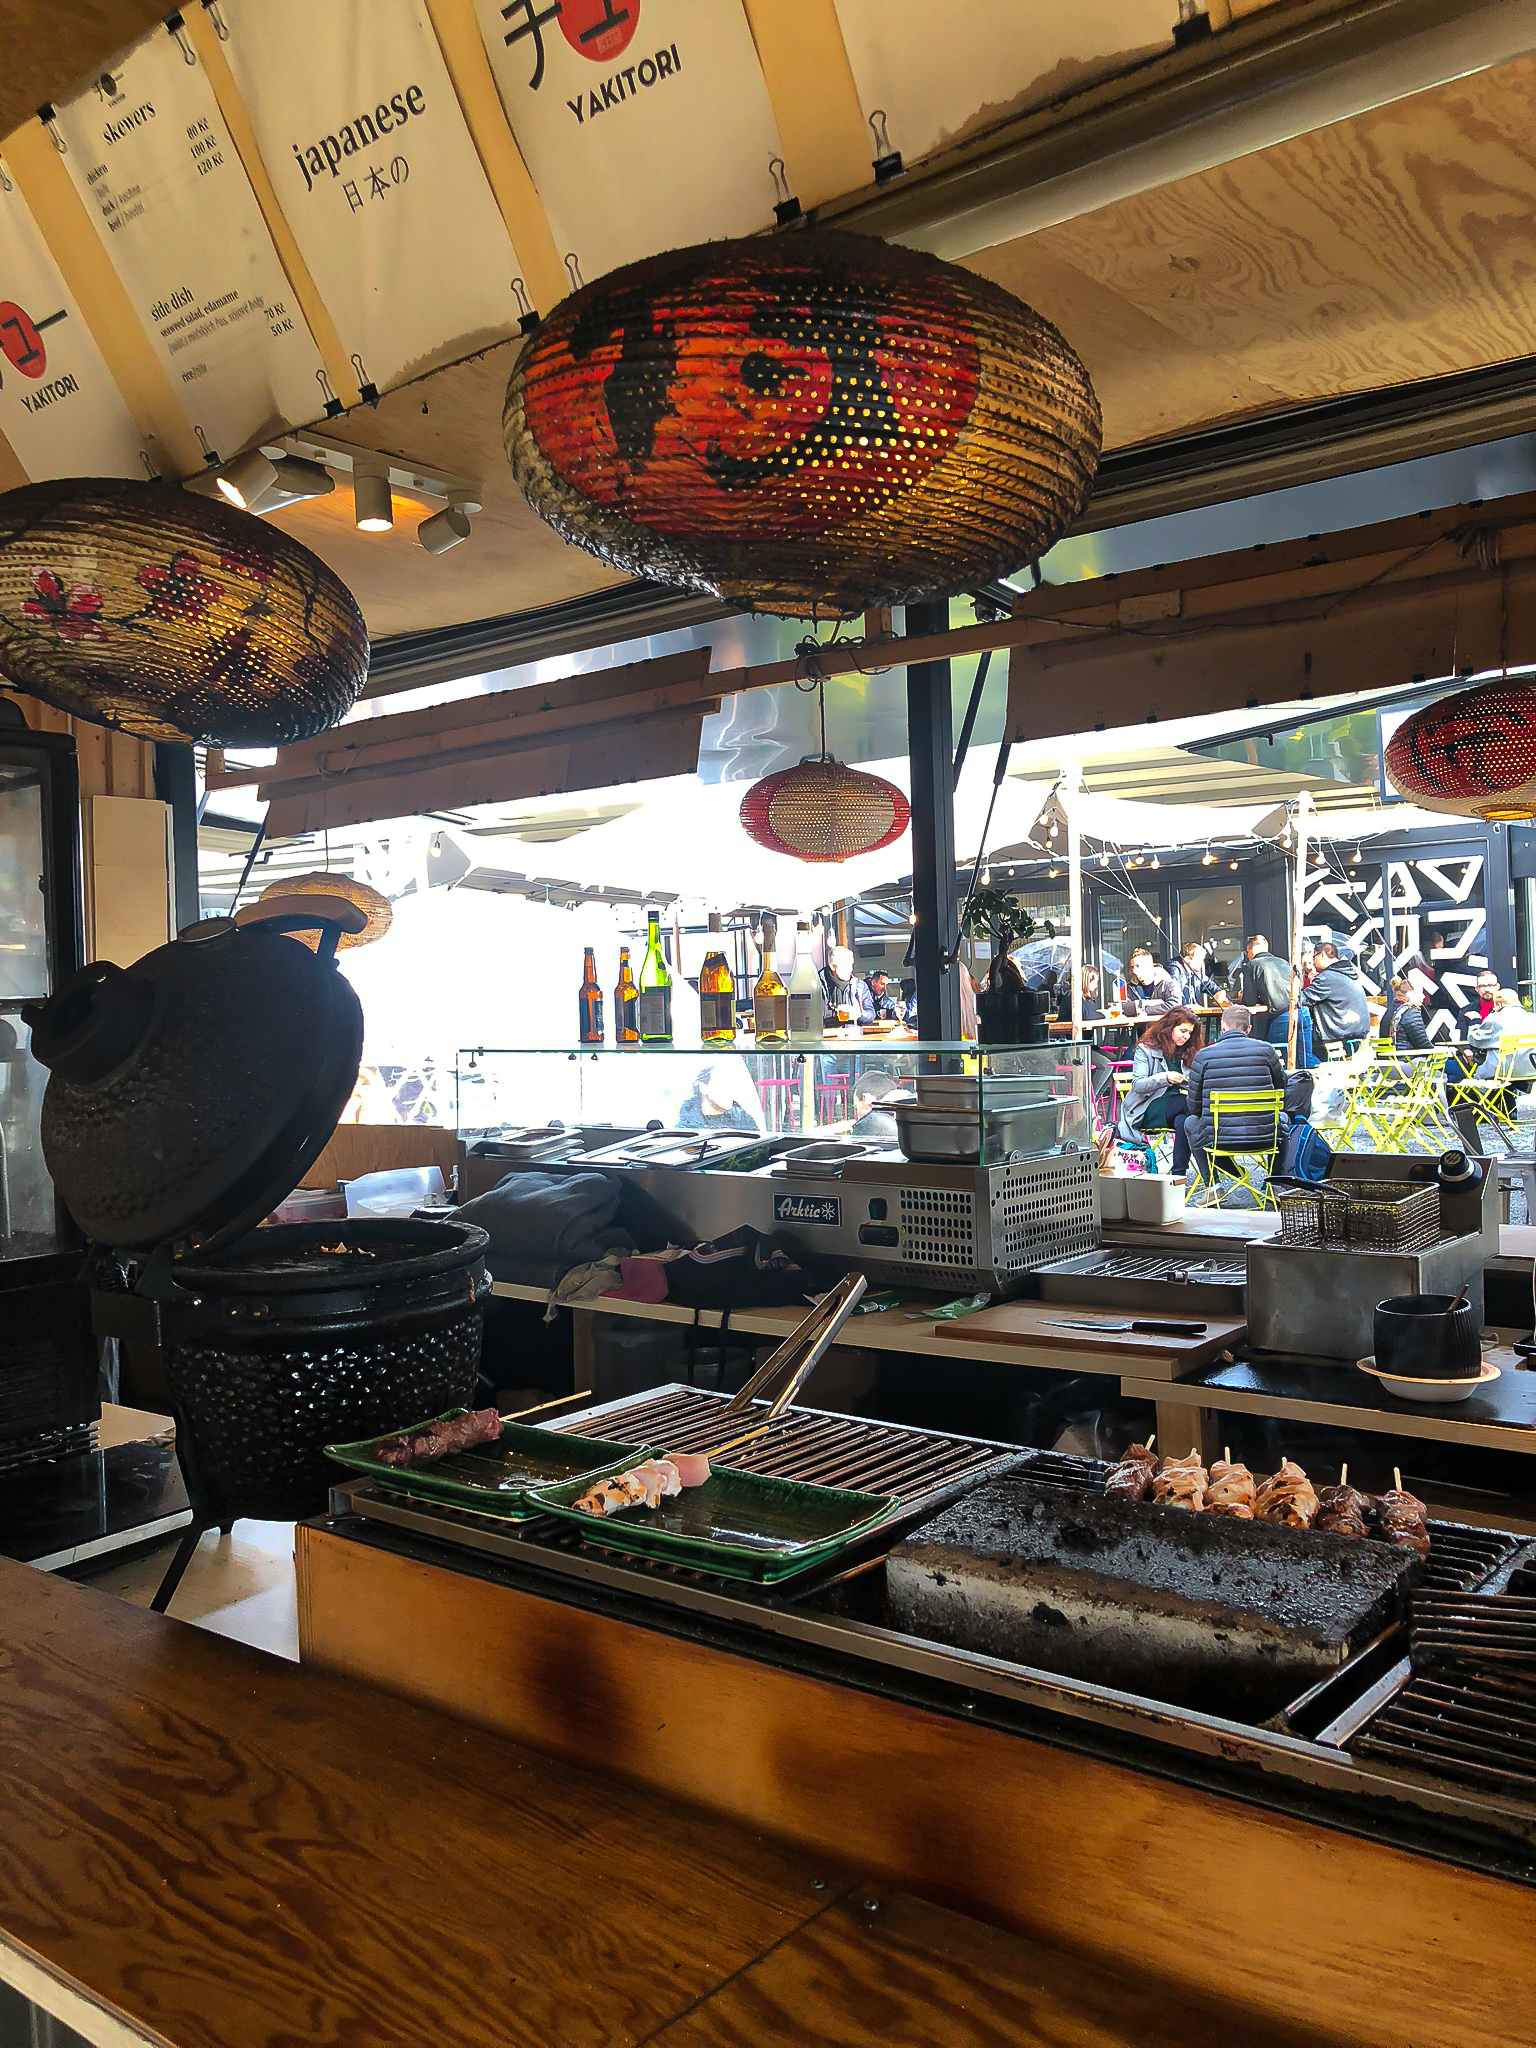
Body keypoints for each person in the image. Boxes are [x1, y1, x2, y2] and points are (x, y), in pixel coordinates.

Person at [1180, 1004, 1287, 1190]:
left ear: (1222, 1026)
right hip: (1265, 1136)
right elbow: (1281, 1089)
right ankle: (1275, 1184)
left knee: (1190, 1122)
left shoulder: (1203, 1056)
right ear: (1249, 1028)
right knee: (1283, 1119)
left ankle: (1213, 1186)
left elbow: (1194, 1106)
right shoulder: (1267, 1051)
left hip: (1218, 1138)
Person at [1118, 1007, 1202, 1172]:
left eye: (1190, 1033)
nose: (1186, 1036)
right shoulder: (1146, 1049)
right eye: (1183, 1031)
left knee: (1185, 1121)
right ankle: (1219, 1159)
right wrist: (1165, 1078)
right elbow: (1138, 1085)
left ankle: (1178, 1174)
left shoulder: (1187, 1051)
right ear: (1169, 1028)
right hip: (1146, 1107)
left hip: (1174, 1107)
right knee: (1191, 1105)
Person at [1302, 941, 1370, 1054]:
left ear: (1321, 955)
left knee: (1301, 1047)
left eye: (1314, 958)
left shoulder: (1327, 977)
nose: (1313, 963)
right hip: (1355, 1035)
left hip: (1338, 1037)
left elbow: (1301, 999)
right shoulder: (1348, 973)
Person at [676, 1062, 765, 1134]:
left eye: (732, 1085)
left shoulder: (743, 1120)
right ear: (703, 1088)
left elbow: (759, 1147)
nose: (730, 1090)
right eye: (723, 1084)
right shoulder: (685, 1127)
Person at [1233, 934, 1291, 1020]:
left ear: (1250, 950)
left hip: (1281, 1015)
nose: (1247, 956)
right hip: (1302, 1012)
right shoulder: (1284, 962)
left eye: (1246, 953)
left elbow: (1250, 1001)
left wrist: (1243, 997)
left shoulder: (1252, 965)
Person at [823, 945, 875, 1025]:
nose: (851, 969)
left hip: (853, 1031)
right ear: (833, 966)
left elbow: (871, 1014)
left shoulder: (860, 986)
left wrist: (859, 1014)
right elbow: (813, 1016)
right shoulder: (819, 986)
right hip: (825, 1032)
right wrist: (837, 1014)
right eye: (846, 965)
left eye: (851, 964)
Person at [1382, 973, 1431, 1051]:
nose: (1423, 996)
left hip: (1390, 1057)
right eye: (1420, 992)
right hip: (1405, 1057)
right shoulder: (1411, 1013)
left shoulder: (1390, 1011)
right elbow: (1423, 1044)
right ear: (1409, 993)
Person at [848, 1068, 901, 1141]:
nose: (856, 1116)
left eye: (856, 1107)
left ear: (866, 1099)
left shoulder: (868, 1125)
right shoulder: (908, 1110)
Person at [1124, 945, 1179, 1015]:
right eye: (1132, 967)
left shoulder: (1168, 984)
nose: (1134, 971)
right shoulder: (1129, 987)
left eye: (1138, 966)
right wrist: (1149, 1003)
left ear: (1149, 966)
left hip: (1164, 1022)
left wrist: (1144, 1010)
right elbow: (1122, 1007)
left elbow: (1174, 1006)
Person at [1170, 941, 1219, 1010]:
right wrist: (1187, 1006)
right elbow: (1174, 993)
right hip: (1179, 1013)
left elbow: (1210, 985)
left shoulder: (1196, 973)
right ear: (1187, 959)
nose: (1202, 963)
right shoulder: (1174, 970)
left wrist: (1220, 993)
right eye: (1200, 959)